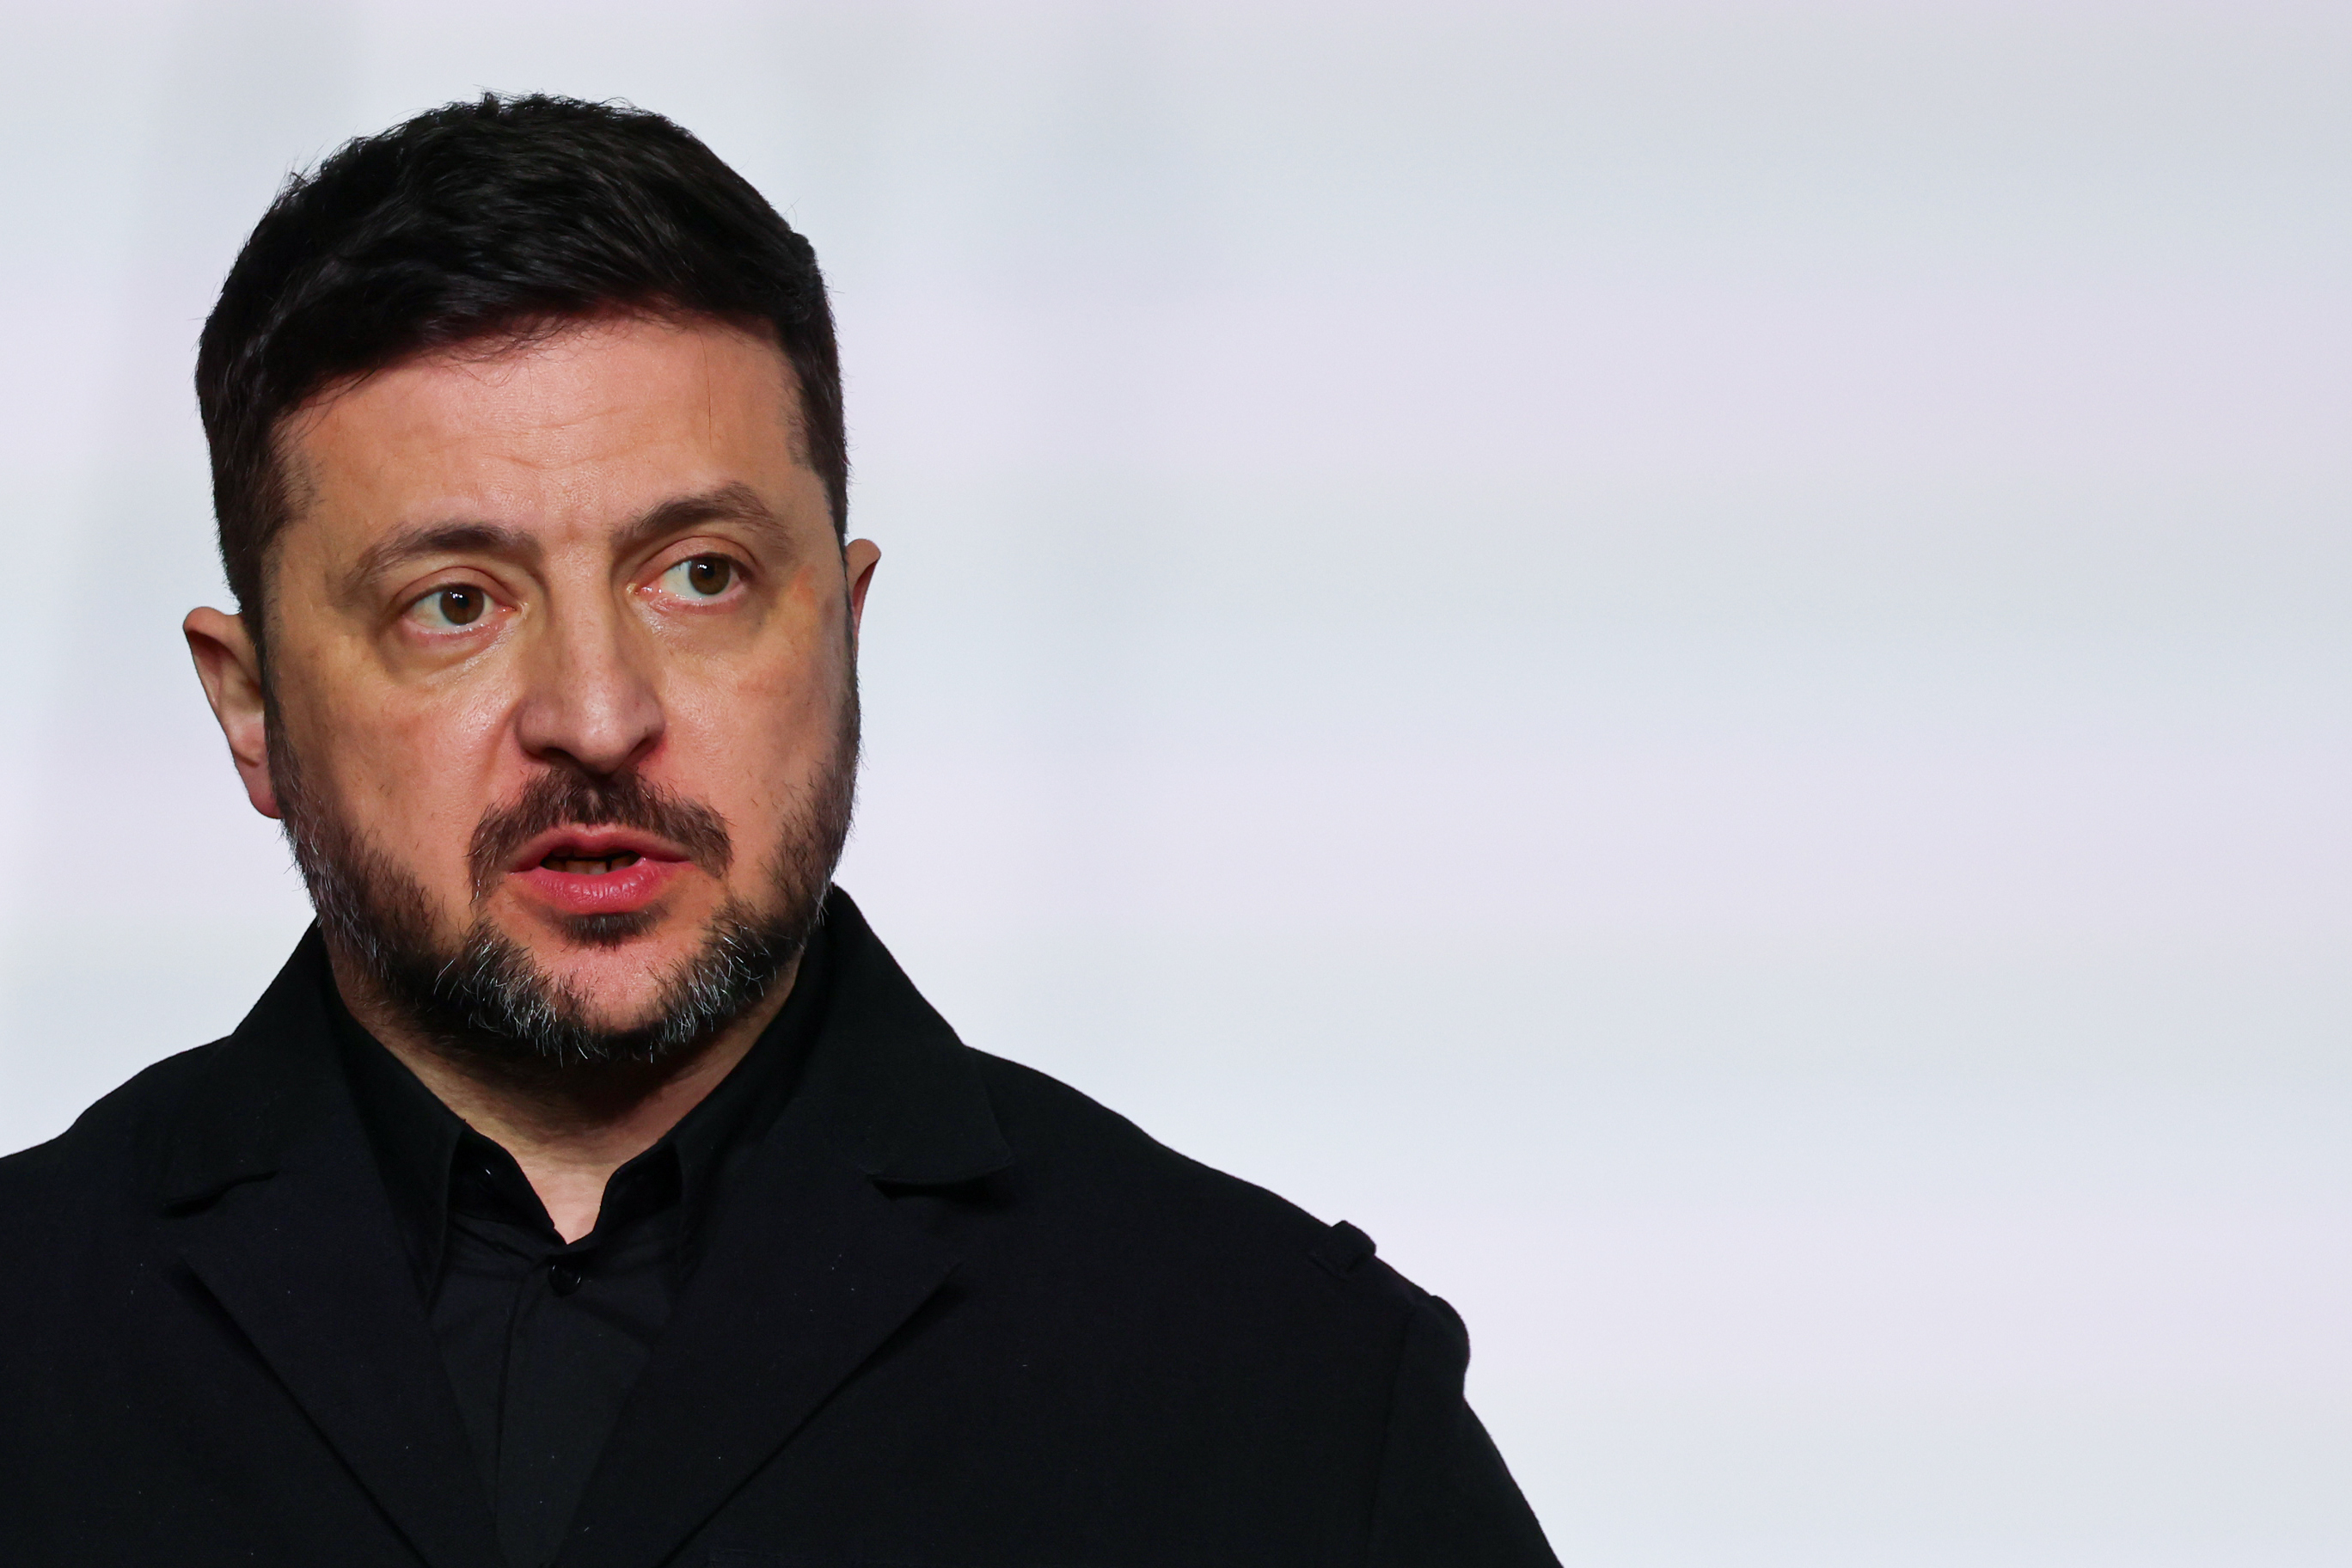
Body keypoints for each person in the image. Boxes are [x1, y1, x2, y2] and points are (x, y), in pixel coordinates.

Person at [0, 95, 1556, 1568]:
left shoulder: (1287, 1389)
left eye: (701, 575)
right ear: (251, 704)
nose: (597, 716)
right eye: (455, 604)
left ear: (845, 629)